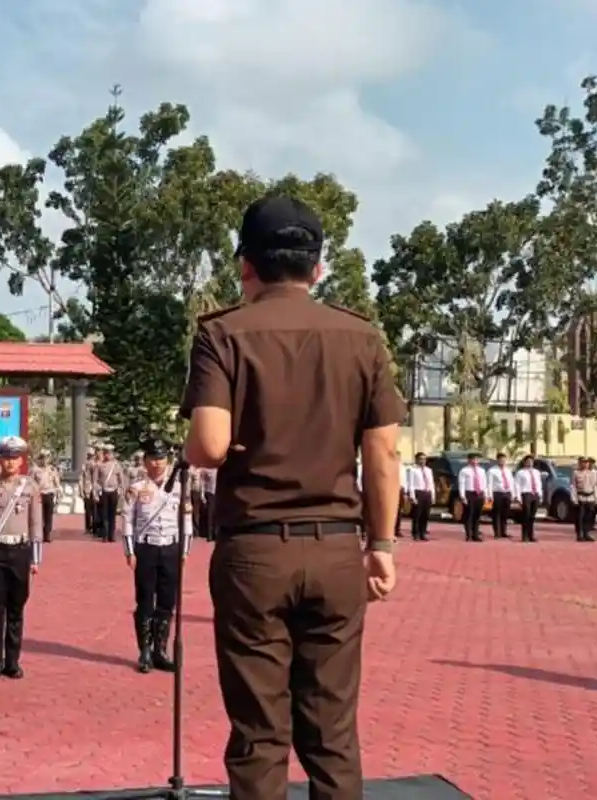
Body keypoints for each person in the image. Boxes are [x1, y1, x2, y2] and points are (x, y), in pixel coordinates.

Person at [180, 194, 404, 799]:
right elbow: (383, 455)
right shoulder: (362, 338)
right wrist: (380, 545)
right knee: (333, 734)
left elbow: (209, 444)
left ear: (245, 265)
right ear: (319, 268)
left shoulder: (222, 334)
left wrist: (191, 445)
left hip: (254, 552)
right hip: (336, 550)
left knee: (259, 735)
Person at [0, 435, 42, 680]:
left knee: (16, 607)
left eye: (15, 458)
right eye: (6, 457)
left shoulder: (30, 486)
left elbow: (36, 524)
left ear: (22, 460)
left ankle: (12, 662)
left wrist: (36, 558)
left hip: (20, 551)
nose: (10, 462)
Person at [122, 439, 191, 674]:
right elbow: (128, 522)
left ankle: (160, 650)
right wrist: (130, 551)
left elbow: (187, 521)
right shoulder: (137, 488)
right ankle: (145, 651)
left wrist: (185, 550)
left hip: (170, 548)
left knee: (167, 601)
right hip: (146, 549)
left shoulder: (180, 487)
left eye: (161, 458)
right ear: (145, 461)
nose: (157, 463)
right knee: (144, 600)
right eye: (152, 458)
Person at [94, 444, 123, 542]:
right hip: (104, 491)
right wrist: (96, 492)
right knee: (104, 514)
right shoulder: (100, 466)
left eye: (109, 453)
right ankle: (105, 535)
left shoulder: (116, 465)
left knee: (112, 514)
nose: (108, 455)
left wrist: (120, 489)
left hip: (114, 491)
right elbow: (96, 480)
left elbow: (121, 479)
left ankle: (112, 535)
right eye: (106, 453)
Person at [457, 453, 489, 542]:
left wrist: (485, 495)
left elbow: (484, 483)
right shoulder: (464, 470)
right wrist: (462, 496)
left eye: (476, 459)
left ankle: (475, 534)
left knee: (477, 515)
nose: (475, 461)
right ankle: (469, 535)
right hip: (469, 493)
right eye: (473, 459)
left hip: (479, 493)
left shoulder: (482, 470)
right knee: (468, 515)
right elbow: (461, 484)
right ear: (469, 460)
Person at [31, 450, 61, 543]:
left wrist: (58, 492)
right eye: (43, 457)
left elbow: (56, 482)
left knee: (49, 516)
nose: (45, 460)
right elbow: (31, 483)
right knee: (39, 515)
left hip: (50, 493)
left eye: (47, 457)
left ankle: (47, 534)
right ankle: (38, 534)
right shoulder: (35, 470)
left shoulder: (52, 469)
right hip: (40, 494)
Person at [405, 452, 434, 541]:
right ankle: (416, 533)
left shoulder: (429, 470)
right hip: (418, 492)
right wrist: (412, 497)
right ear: (417, 460)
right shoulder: (412, 470)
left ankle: (423, 533)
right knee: (417, 515)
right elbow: (411, 484)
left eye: (424, 459)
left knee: (425, 515)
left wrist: (432, 495)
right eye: (421, 459)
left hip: (427, 493)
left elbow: (431, 483)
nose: (423, 461)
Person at [514, 455, 542, 543]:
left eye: (531, 461)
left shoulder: (537, 472)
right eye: (528, 461)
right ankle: (524, 535)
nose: (530, 462)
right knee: (526, 515)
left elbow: (539, 484)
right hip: (526, 494)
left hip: (535, 494)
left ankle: (531, 535)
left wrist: (540, 495)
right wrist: (518, 497)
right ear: (524, 462)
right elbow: (517, 485)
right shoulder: (520, 473)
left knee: (532, 516)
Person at [487, 452, 515, 539]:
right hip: (497, 493)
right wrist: (489, 495)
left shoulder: (508, 470)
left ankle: (504, 532)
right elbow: (489, 484)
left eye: (504, 460)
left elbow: (511, 482)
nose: (502, 461)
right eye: (500, 460)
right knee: (497, 513)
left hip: (507, 493)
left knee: (505, 514)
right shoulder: (492, 471)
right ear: (497, 460)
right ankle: (497, 532)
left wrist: (513, 494)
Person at [571, 456, 597, 542]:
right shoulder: (576, 473)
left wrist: (596, 498)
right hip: (580, 497)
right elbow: (573, 486)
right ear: (580, 463)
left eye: (587, 462)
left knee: (589, 517)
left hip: (590, 497)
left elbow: (595, 486)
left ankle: (587, 533)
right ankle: (580, 534)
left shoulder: (594, 473)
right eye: (583, 462)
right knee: (580, 517)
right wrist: (574, 498)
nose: (585, 464)